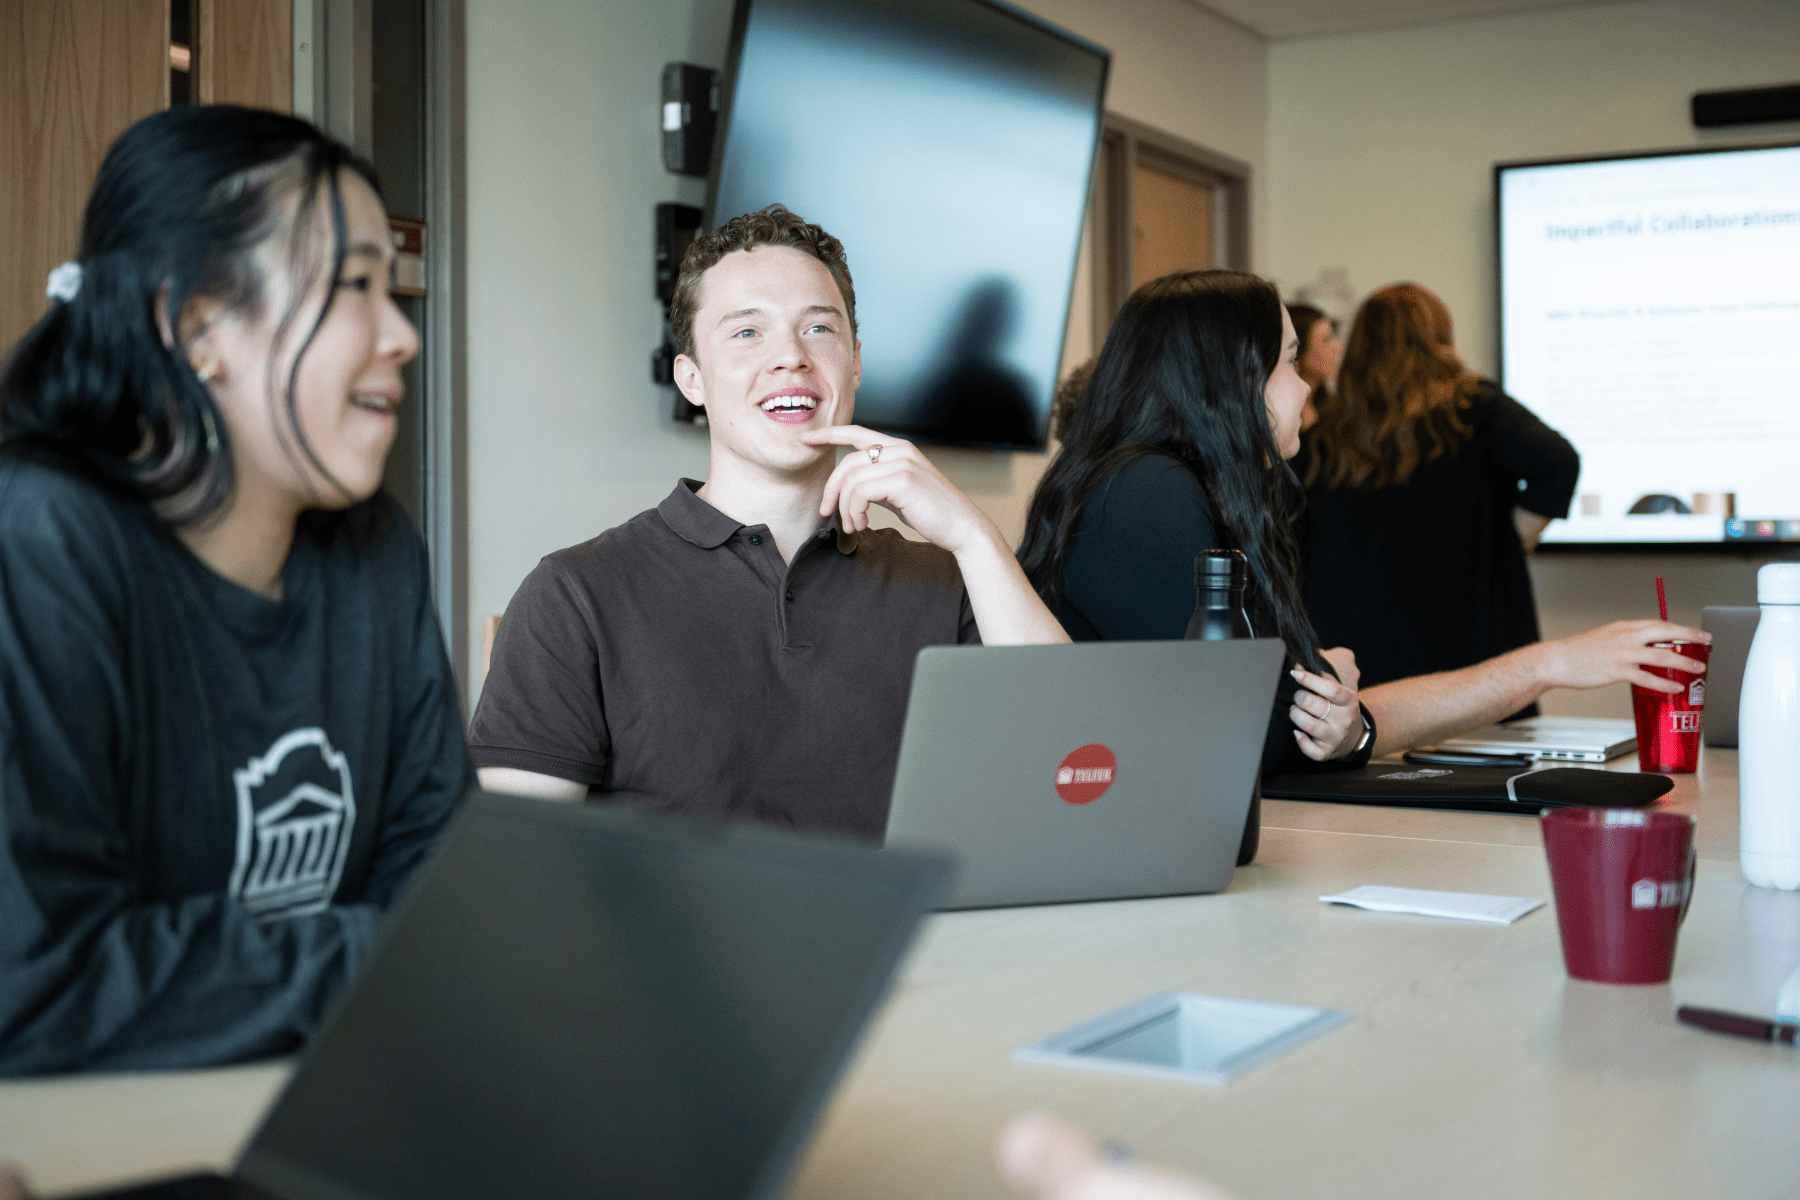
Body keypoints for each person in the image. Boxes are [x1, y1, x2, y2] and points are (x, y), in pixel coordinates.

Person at [0, 107, 471, 1075]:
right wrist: (410, 969)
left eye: (393, 286)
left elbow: (442, 887)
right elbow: (35, 981)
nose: (402, 335)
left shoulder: (378, 554)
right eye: (352, 286)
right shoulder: (42, 537)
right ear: (197, 326)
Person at [470, 204, 1067, 837]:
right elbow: (516, 865)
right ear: (691, 379)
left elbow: (1072, 759)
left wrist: (973, 537)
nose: (791, 358)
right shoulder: (575, 593)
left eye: (819, 329)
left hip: (907, 933)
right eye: (747, 332)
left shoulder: (946, 582)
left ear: (856, 363)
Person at [1018, 269, 1707, 762]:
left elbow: (1326, 724)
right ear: (1232, 380)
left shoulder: (1193, 494)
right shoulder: (1146, 493)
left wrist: (1552, 662)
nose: (1309, 386)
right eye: (1291, 362)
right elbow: (1263, 737)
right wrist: (1330, 710)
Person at [1297, 282, 1576, 698]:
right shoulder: (1473, 409)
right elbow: (1557, 461)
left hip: (1361, 664)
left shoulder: (1325, 435)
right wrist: (1516, 537)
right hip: (1470, 663)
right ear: (1440, 342)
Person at [1284, 302, 1340, 431]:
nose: (1337, 347)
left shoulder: (1332, 409)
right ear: (1296, 350)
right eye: (1326, 340)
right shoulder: (1276, 417)